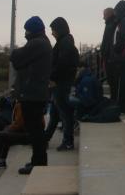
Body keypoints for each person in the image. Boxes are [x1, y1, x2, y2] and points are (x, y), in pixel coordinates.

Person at [10, 15, 52, 175]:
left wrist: (17, 54)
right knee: (36, 130)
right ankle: (38, 161)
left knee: (35, 131)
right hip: (35, 93)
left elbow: (16, 58)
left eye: (27, 30)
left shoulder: (37, 43)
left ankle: (39, 163)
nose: (25, 33)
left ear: (32, 30)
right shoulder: (41, 42)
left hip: (33, 95)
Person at [44, 17, 79, 151]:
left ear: (59, 29)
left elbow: (62, 64)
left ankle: (68, 141)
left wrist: (52, 76)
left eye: (53, 30)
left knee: (64, 114)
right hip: (61, 83)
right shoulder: (66, 42)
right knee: (55, 114)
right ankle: (46, 138)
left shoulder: (65, 43)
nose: (52, 33)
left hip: (62, 84)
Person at [107, 0, 125, 114]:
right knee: (122, 83)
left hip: (124, 58)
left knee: (124, 83)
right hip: (121, 57)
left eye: (117, 11)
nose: (115, 14)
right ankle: (123, 105)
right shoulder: (122, 21)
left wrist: (118, 54)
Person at [100, 7, 118, 101]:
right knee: (111, 79)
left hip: (110, 57)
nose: (103, 17)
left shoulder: (112, 25)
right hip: (108, 56)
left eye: (104, 15)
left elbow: (108, 42)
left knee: (112, 79)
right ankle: (113, 98)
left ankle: (114, 99)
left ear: (109, 14)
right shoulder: (110, 24)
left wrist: (105, 54)